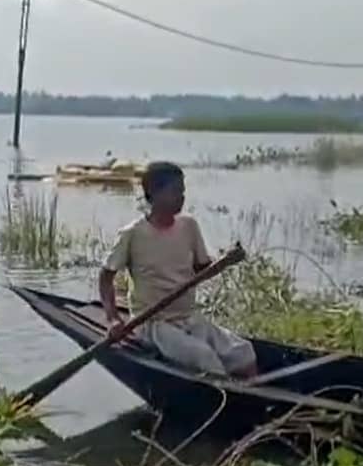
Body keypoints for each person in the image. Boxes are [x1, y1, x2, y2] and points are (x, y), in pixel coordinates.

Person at [99, 161, 258, 379]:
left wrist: (226, 261)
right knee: (204, 357)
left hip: (188, 317)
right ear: (154, 193)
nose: (182, 197)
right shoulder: (132, 234)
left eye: (182, 191)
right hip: (153, 325)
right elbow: (106, 277)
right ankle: (225, 395)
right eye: (175, 191)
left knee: (243, 352)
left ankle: (251, 392)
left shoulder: (189, 226)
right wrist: (113, 319)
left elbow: (203, 270)